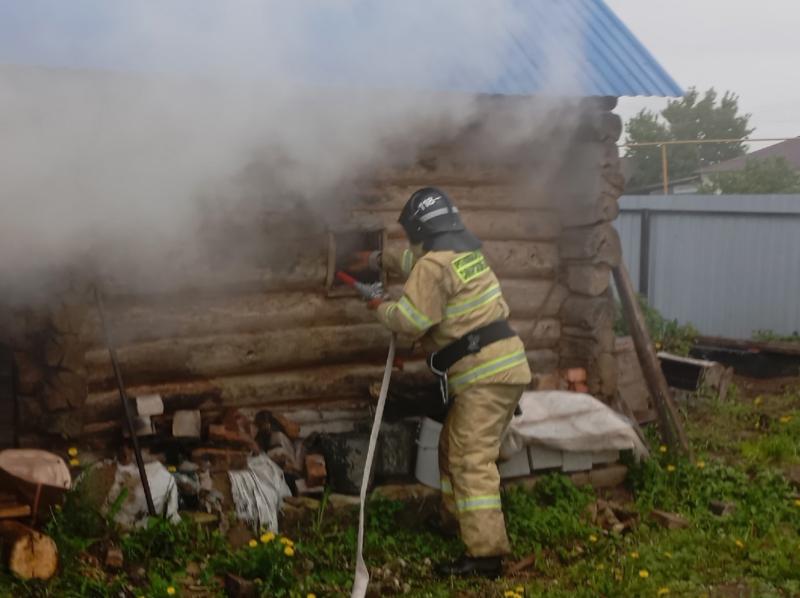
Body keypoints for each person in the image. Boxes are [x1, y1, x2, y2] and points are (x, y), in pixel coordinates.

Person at [354, 187, 531, 578]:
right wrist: (380, 259)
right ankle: (456, 521)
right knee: (452, 448)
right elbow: (413, 262)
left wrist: (377, 304)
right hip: (502, 367)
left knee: (470, 460)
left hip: (485, 375)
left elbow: (412, 320)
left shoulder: (434, 265)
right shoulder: (463, 254)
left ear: (421, 228)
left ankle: (486, 556)